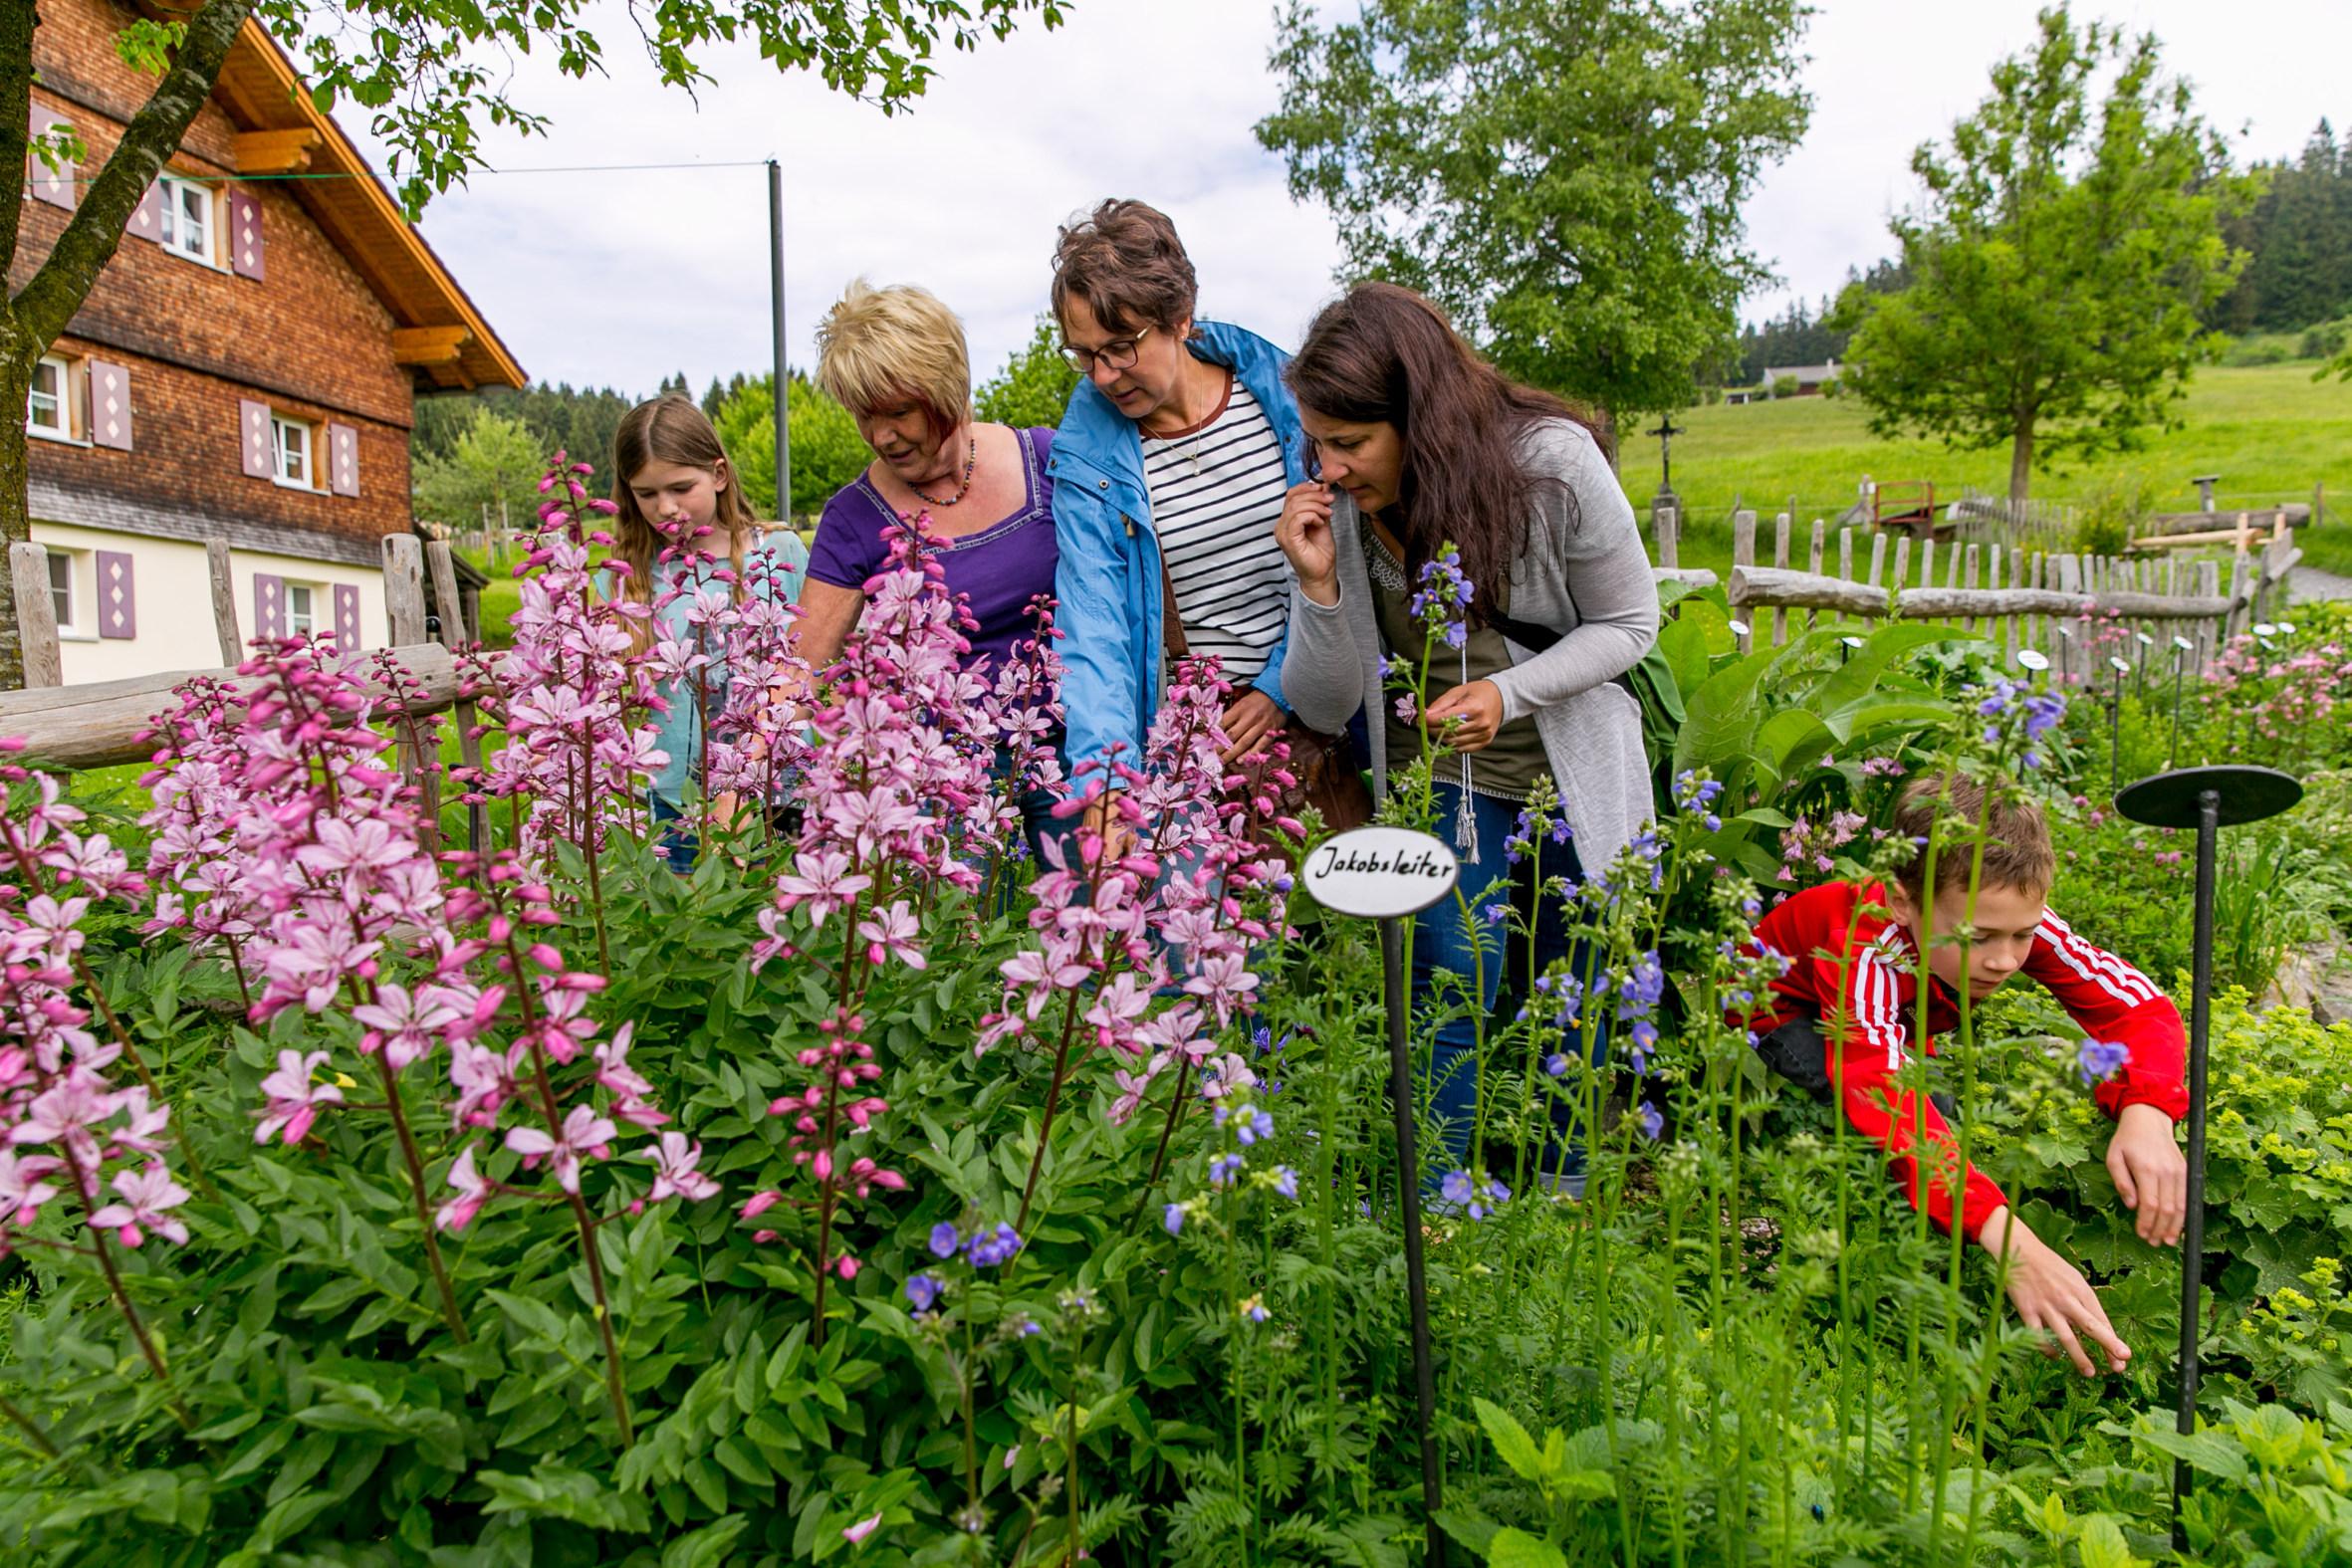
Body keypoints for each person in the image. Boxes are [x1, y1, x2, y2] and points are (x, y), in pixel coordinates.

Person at [1271, 281, 1658, 1194]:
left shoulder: (1549, 464)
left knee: (1575, 990)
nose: (1328, 467)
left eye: (1351, 442)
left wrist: (1507, 693)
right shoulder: (1341, 510)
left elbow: (1631, 622)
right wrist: (1317, 587)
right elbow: (1324, 702)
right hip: (1437, 778)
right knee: (1445, 987)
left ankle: (1560, 1196)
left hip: (1569, 769)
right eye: (1317, 441)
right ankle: (1435, 1204)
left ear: (1421, 419)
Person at [1740, 774, 2189, 1377]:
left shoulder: (2001, 911)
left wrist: (2149, 1110)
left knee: (1932, 1104)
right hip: (1775, 1011)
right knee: (1913, 1118)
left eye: (2021, 935)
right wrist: (2009, 1239)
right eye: (1978, 938)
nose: (2004, 959)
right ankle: (1883, 1269)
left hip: (1897, 1011)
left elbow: (2137, 1006)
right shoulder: (1865, 946)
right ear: (1902, 902)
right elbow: (1884, 1093)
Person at [1047, 199, 1313, 852]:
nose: (1104, 375)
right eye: (1085, 355)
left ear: (1180, 318)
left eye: (1121, 347)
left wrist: (1281, 687)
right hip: (1181, 753)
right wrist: (1106, 780)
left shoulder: (1287, 403)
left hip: (1308, 725)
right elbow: (1095, 628)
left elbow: (1337, 571)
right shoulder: (1088, 456)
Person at [804, 279, 1061, 854]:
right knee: (953, 909)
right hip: (935, 770)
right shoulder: (852, 517)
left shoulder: (1045, 460)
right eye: (864, 415)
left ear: (949, 388)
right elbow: (799, 671)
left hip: (1066, 747)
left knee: (1092, 902)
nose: (881, 436)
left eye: (899, 411)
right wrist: (734, 794)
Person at [606, 394, 810, 869]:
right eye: (646, 494)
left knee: (778, 910)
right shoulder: (626, 575)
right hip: (674, 802)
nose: (666, 508)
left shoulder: (777, 552)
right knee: (687, 913)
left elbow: (807, 665)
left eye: (681, 487)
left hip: (777, 793)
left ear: (719, 475)